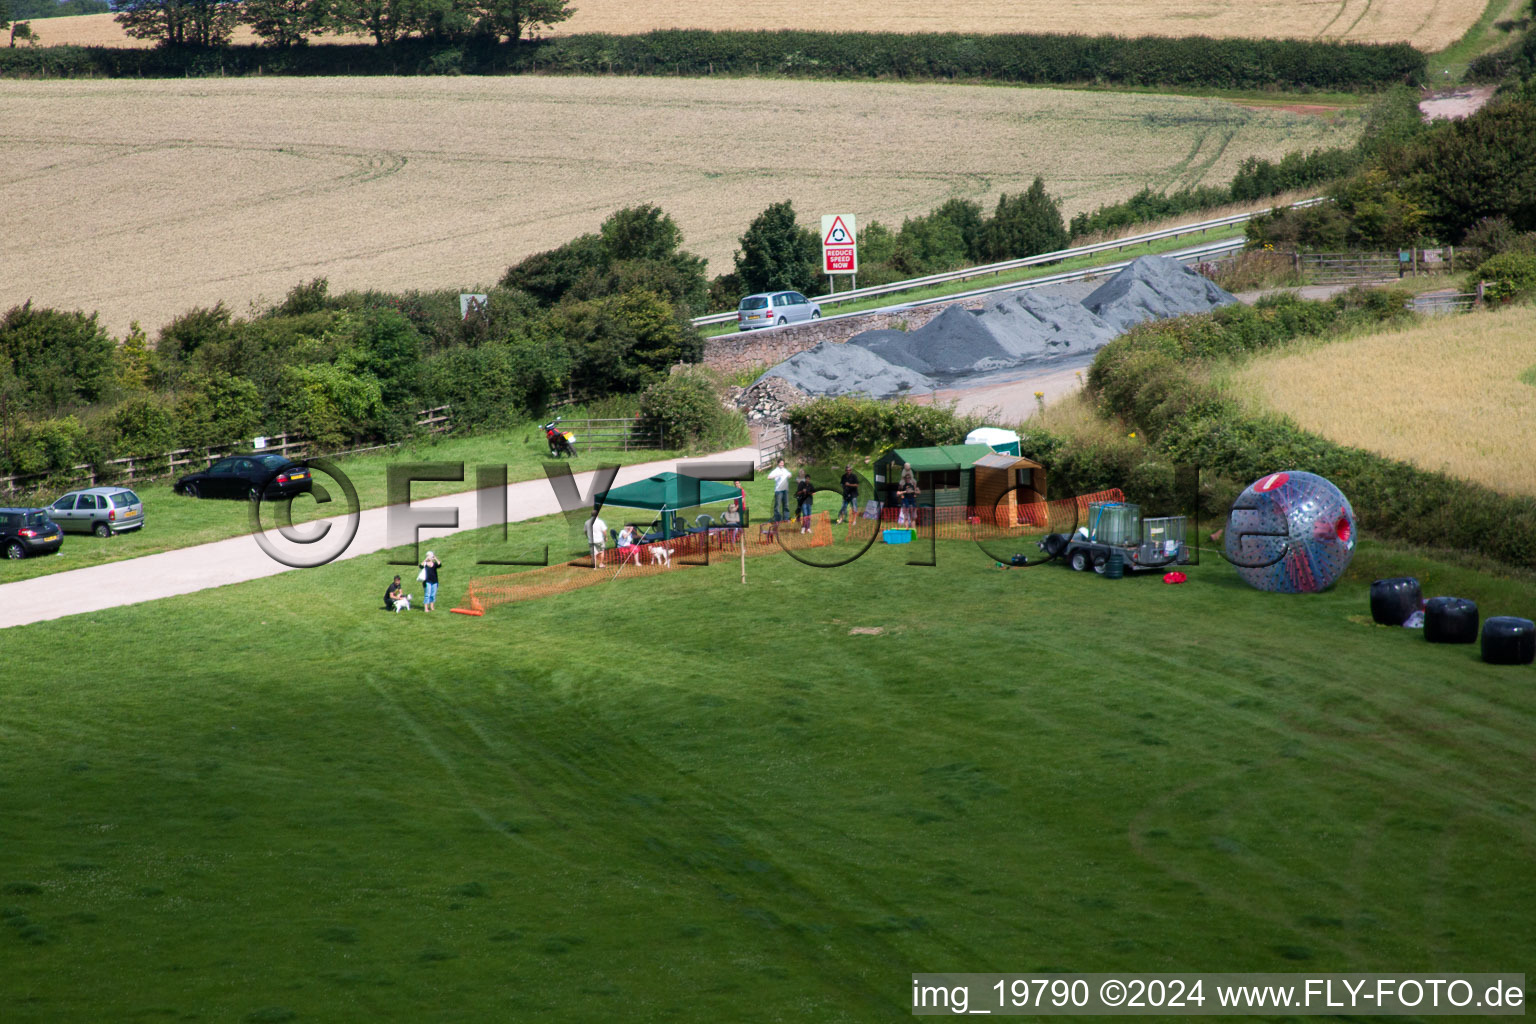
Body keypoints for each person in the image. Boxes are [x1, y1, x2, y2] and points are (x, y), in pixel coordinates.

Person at [768, 457, 792, 522]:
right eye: (781, 463)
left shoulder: (785, 470)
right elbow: (769, 477)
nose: (782, 464)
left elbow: (789, 474)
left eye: (783, 463)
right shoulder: (776, 471)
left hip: (785, 490)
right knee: (777, 505)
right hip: (779, 491)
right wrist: (776, 475)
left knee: (786, 505)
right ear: (778, 464)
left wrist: (790, 475)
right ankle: (777, 519)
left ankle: (786, 519)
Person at [897, 463, 918, 527]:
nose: (908, 478)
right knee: (906, 517)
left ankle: (913, 531)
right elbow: (898, 492)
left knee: (913, 517)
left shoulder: (913, 481)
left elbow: (916, 491)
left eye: (909, 477)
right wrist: (904, 492)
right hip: (905, 502)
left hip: (912, 502)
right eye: (906, 478)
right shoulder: (902, 482)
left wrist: (914, 492)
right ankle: (907, 530)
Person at [795, 469, 815, 533]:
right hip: (803, 502)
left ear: (809, 480)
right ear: (805, 479)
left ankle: (808, 528)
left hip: (809, 502)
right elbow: (798, 493)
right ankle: (803, 527)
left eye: (808, 479)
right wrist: (802, 491)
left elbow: (814, 493)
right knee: (805, 514)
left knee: (809, 515)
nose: (807, 480)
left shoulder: (811, 485)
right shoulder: (801, 484)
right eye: (806, 479)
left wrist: (809, 492)